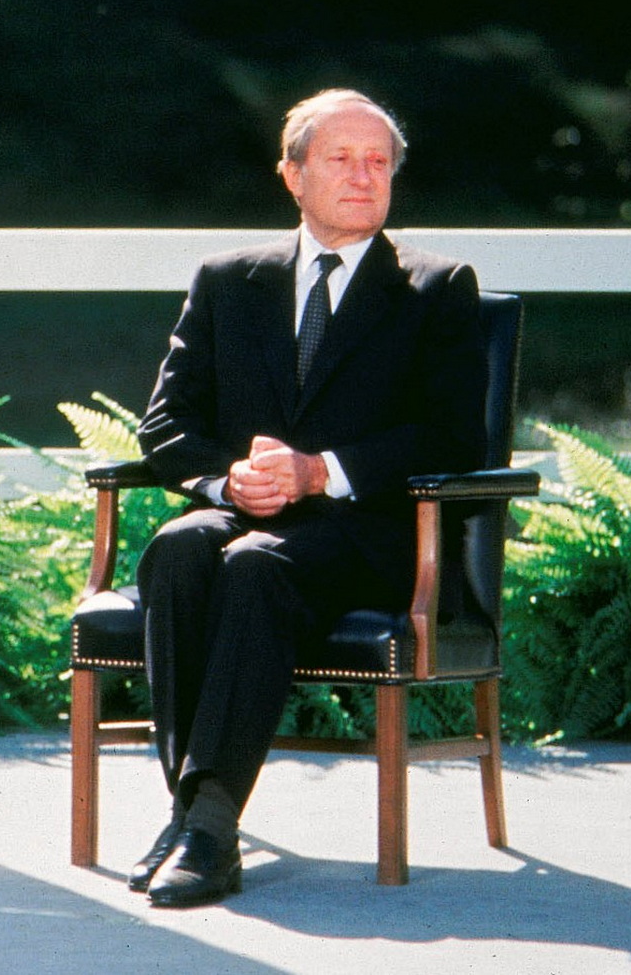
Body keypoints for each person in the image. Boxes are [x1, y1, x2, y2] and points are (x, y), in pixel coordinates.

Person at [128, 88, 487, 907]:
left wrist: (321, 469)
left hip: (373, 532)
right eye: (340, 158)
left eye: (379, 162)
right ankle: (198, 816)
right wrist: (228, 480)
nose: (364, 176)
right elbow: (166, 424)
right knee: (180, 545)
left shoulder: (435, 288)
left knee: (256, 564)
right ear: (291, 174)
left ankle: (206, 828)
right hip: (250, 507)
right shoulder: (229, 283)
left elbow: (453, 436)